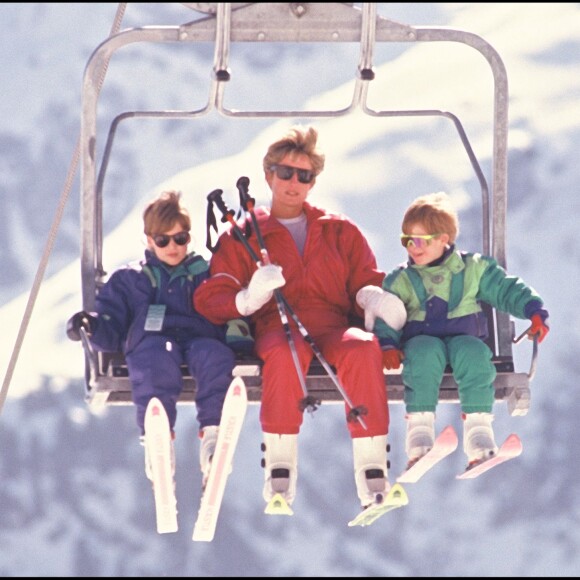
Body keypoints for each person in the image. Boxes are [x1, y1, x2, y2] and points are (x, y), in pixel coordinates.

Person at [194, 125, 406, 511]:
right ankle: (279, 466)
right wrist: (248, 297)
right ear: (269, 175)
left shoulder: (339, 231)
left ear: (313, 182)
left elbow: (364, 279)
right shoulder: (244, 236)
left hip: (333, 325)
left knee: (362, 348)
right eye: (286, 172)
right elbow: (212, 297)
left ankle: (373, 468)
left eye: (303, 175)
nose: (294, 182)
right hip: (277, 324)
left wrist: (372, 298)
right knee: (283, 351)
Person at [66, 190, 242, 488]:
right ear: (149, 240)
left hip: (199, 338)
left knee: (215, 357)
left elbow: (229, 306)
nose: (172, 247)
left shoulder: (206, 274)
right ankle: (159, 442)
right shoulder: (130, 280)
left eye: (180, 238)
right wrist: (91, 326)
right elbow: (112, 325)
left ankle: (213, 438)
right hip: (153, 342)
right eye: (163, 240)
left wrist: (241, 335)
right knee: (153, 359)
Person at [372, 191, 550, 470]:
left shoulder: (473, 269)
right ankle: (420, 432)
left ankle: (478, 432)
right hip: (422, 340)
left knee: (476, 354)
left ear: (444, 239)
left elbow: (505, 289)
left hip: (464, 338)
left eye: (419, 241)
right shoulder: (402, 280)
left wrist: (533, 310)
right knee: (422, 354)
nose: (412, 248)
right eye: (406, 240)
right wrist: (388, 345)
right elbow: (386, 313)